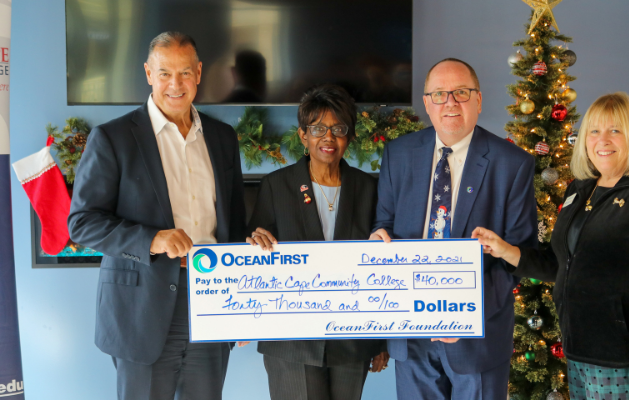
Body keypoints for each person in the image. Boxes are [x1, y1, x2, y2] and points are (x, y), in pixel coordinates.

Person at [472, 92, 629, 400]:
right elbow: (562, 265)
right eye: (594, 131)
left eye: (614, 130)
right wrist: (504, 250)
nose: (602, 140)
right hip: (580, 352)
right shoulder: (579, 191)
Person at [68, 31, 246, 400]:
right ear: (148, 74)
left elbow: (235, 223)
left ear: (199, 73)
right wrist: (153, 239)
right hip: (141, 311)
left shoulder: (223, 137)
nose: (175, 84)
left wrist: (240, 307)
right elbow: (82, 222)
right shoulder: (112, 138)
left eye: (184, 72)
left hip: (212, 301)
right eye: (165, 73)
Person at [370, 58, 537, 399]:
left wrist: (463, 314)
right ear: (427, 103)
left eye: (461, 93)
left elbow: (519, 255)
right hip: (410, 334)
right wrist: (377, 237)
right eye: (440, 94)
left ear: (478, 100)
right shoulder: (398, 154)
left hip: (476, 339)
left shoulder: (513, 164)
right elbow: (383, 224)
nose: (450, 103)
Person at [242, 83, 389, 400]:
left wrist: (381, 341)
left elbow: (383, 270)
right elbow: (252, 254)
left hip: (352, 342)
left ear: (349, 137)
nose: (328, 137)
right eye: (318, 128)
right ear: (302, 135)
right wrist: (253, 240)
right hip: (290, 343)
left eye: (338, 128)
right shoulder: (276, 185)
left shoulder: (368, 189)